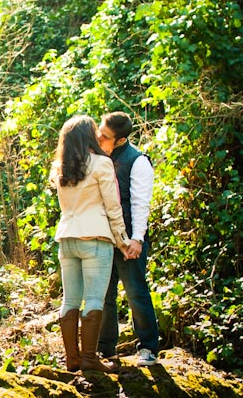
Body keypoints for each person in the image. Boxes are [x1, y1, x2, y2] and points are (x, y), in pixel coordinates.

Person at [51, 115, 131, 373]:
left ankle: (72, 359)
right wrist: (123, 241)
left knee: (70, 300)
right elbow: (112, 206)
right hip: (95, 239)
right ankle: (89, 359)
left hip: (67, 239)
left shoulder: (61, 167)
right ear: (89, 137)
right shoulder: (101, 164)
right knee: (95, 299)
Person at [96, 111, 160, 367]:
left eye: (105, 135)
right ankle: (106, 349)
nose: (99, 137)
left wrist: (137, 239)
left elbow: (140, 203)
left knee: (135, 292)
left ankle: (147, 347)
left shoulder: (138, 161)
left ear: (120, 139)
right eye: (99, 131)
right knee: (104, 294)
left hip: (129, 237)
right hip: (103, 236)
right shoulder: (100, 157)